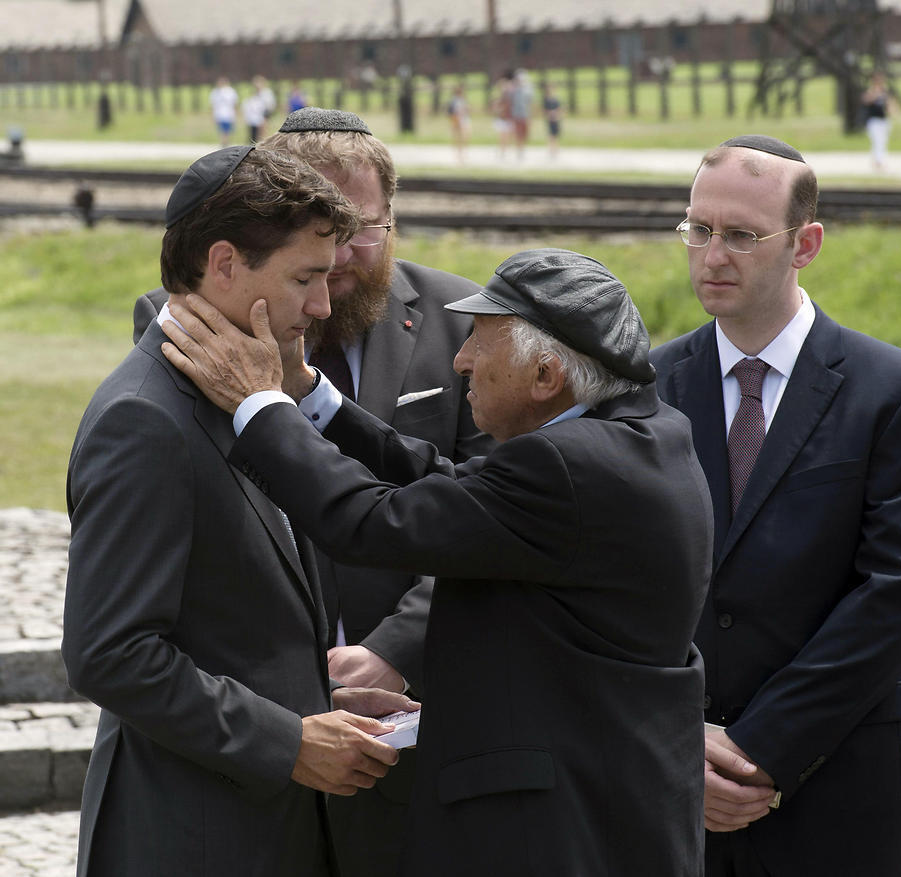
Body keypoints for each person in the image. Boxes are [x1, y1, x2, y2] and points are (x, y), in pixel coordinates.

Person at [161, 246, 714, 876]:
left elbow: (370, 522)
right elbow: (452, 485)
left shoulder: (565, 467)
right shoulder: (639, 436)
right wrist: (315, 399)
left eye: (481, 342)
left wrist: (260, 404)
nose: (461, 361)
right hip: (614, 808)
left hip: (561, 836)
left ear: (545, 378)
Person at [132, 107, 492, 877]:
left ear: (393, 221)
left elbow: (489, 509)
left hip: (414, 732)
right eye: (310, 248)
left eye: (360, 228)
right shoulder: (189, 334)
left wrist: (397, 648)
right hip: (253, 753)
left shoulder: (467, 325)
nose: (337, 264)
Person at [63, 146, 417, 876]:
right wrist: (289, 739)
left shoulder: (248, 388)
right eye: (304, 279)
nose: (322, 306)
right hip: (190, 840)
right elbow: (111, 653)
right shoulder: (146, 419)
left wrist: (316, 694)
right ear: (224, 264)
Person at [649, 134, 901, 877]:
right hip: (677, 795)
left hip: (841, 789)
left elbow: (896, 595)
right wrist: (685, 738)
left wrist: (761, 752)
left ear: (805, 243)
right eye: (699, 229)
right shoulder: (646, 388)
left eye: (743, 236)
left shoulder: (896, 392)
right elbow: (615, 584)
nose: (712, 255)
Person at [861, 71, 892, 171]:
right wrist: (876, 94)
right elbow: (865, 100)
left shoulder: (884, 92)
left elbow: (888, 104)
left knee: (883, 141)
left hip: (883, 119)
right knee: (876, 140)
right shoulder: (871, 91)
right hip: (873, 120)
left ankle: (880, 160)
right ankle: (878, 161)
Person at [209, 76, 238, 146]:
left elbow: (234, 103)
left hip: (228, 114)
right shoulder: (215, 92)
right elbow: (213, 105)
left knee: (227, 130)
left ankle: (226, 142)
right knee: (221, 130)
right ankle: (223, 142)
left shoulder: (231, 91)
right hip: (219, 114)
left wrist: (235, 113)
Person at [447, 82, 471, 163]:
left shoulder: (463, 100)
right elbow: (451, 112)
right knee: (459, 137)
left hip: (463, 120)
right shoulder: (454, 100)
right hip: (457, 120)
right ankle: (458, 153)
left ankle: (462, 153)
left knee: (463, 137)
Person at [543, 83, 563, 157]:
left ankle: (556, 149)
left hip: (556, 119)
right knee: (551, 135)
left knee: (556, 135)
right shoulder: (547, 100)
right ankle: (551, 149)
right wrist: (549, 115)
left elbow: (560, 109)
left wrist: (557, 115)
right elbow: (545, 111)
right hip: (550, 120)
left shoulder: (556, 99)